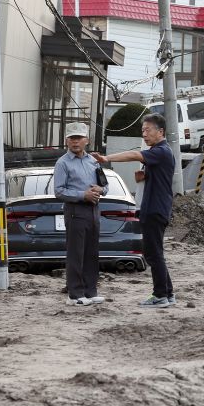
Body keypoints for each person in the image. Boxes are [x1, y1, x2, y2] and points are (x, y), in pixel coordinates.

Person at [92, 114, 176, 308]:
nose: (144, 134)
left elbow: (136, 154)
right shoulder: (160, 152)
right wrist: (143, 177)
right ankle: (168, 293)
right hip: (155, 208)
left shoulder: (161, 151)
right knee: (156, 253)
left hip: (155, 209)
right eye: (143, 131)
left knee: (153, 254)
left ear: (160, 132)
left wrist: (106, 158)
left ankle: (160, 295)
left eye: (148, 130)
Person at [54, 122, 108, 306]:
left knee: (92, 252)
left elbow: (105, 185)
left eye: (79, 138)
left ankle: (90, 291)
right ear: (66, 141)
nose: (75, 141)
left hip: (93, 209)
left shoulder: (93, 161)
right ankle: (75, 295)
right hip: (75, 210)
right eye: (71, 138)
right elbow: (59, 191)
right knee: (76, 253)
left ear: (87, 140)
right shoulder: (62, 163)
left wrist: (101, 190)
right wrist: (82, 195)